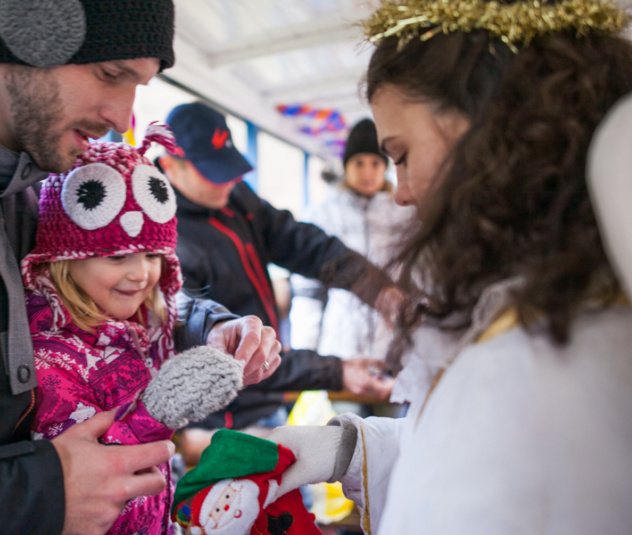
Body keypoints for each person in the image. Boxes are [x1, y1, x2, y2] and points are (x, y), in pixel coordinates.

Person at [0, 1, 281, 533]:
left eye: (139, 85)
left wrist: (211, 324)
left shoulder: (30, 175)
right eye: (111, 73)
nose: (121, 115)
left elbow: (106, 296)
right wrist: (26, 494)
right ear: (30, 30)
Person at [252, 0, 632, 533]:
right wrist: (339, 449)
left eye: (401, 155)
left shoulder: (538, 365)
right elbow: (456, 450)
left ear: (494, 131)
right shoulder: (539, 306)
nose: (401, 193)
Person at [24, 129, 248, 535]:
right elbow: (90, 495)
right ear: (63, 260)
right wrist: (157, 414)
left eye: (152, 254)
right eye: (116, 255)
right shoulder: (49, 360)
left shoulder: (135, 330)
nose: (141, 273)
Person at [158, 101, 402, 435]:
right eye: (214, 173)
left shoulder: (234, 198)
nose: (228, 183)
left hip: (268, 398)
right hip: (225, 420)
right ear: (170, 164)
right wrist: (336, 371)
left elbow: (304, 244)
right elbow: (234, 350)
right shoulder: (166, 241)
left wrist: (378, 289)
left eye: (229, 169)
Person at [290, 118, 414, 417]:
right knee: (348, 440)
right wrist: (306, 351)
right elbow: (308, 291)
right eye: (359, 163)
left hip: (394, 354)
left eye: (375, 162)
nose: (368, 171)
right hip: (341, 353)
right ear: (346, 165)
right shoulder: (322, 214)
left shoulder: (408, 215)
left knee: (392, 441)